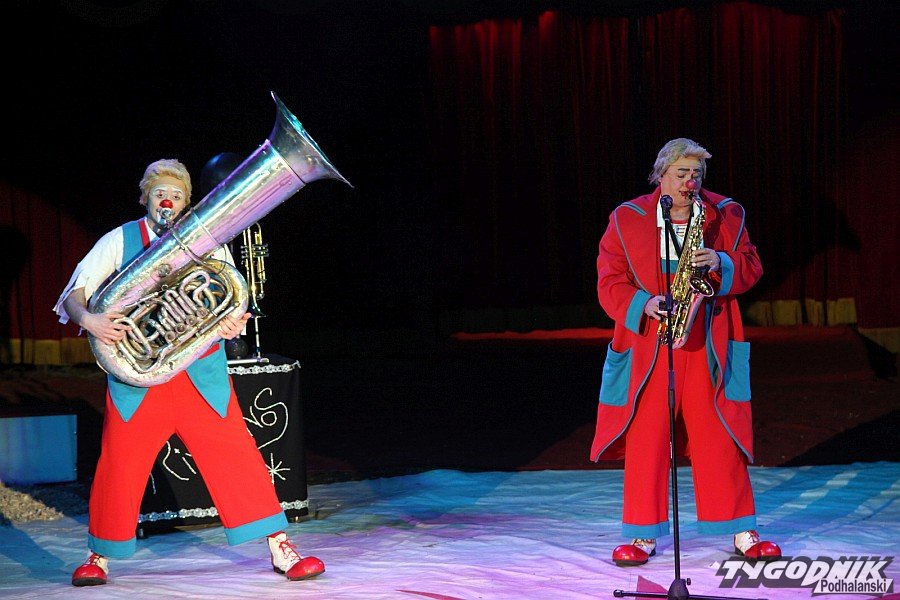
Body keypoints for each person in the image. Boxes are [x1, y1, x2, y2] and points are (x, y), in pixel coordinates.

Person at [54, 159, 325, 586]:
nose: (168, 201)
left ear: (186, 202)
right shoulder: (118, 239)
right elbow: (76, 292)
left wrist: (232, 323)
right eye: (160, 193)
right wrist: (90, 320)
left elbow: (231, 296)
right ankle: (99, 555)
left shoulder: (207, 240)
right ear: (144, 197)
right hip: (139, 378)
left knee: (238, 458)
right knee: (119, 465)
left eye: (176, 195)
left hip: (200, 375)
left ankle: (280, 546)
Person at [590, 139, 781, 567]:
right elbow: (609, 280)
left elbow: (751, 264)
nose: (690, 182)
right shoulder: (627, 217)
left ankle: (741, 529)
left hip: (708, 338)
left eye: (697, 174)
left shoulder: (726, 213)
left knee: (719, 433)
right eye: (682, 174)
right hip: (650, 341)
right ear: (660, 175)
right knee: (647, 436)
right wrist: (644, 305)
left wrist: (721, 261)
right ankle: (642, 534)